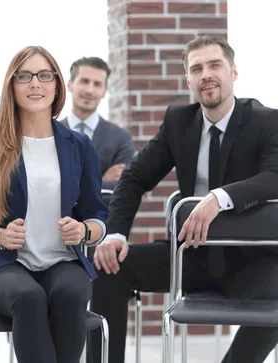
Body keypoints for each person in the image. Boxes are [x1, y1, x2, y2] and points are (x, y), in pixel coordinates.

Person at [87, 35, 278, 363]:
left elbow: (274, 177)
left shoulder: (266, 120)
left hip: (251, 261)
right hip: (191, 256)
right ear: (188, 79)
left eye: (215, 65)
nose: (206, 74)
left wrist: (219, 197)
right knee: (108, 267)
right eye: (197, 68)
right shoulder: (178, 121)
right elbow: (133, 178)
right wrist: (115, 233)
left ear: (233, 72)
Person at [0, 45, 109, 363]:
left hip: (63, 262)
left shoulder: (79, 146)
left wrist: (85, 231)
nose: (36, 83)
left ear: (58, 85)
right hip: (3, 266)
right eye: (25, 76)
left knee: (72, 293)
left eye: (45, 75)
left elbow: (98, 214)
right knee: (28, 297)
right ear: (12, 86)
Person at [59, 57, 134, 189]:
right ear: (70, 84)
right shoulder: (51, 133)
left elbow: (124, 189)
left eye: (97, 84)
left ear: (105, 91)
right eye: (84, 81)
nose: (90, 90)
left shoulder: (121, 138)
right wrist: (101, 181)